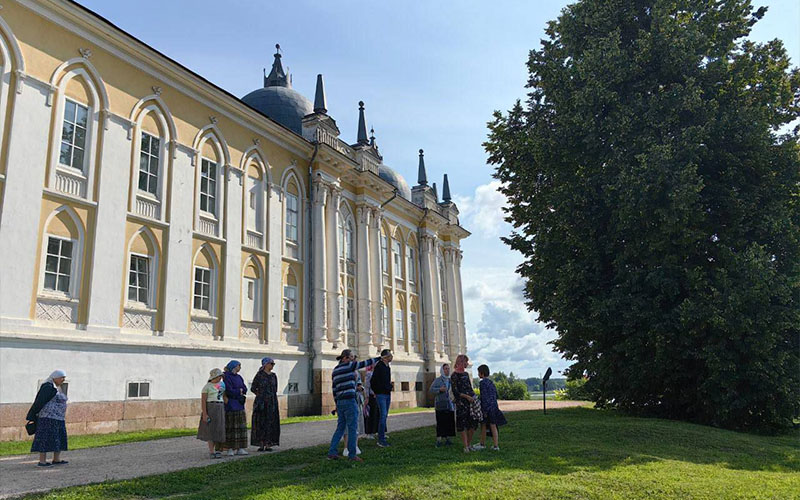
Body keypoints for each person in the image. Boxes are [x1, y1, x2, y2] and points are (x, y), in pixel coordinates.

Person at [327, 349, 385, 461]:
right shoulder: (349, 366)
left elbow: (334, 389)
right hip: (350, 401)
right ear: (345, 358)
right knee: (353, 428)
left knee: (340, 428)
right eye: (351, 357)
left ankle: (332, 452)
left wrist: (336, 405)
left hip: (340, 402)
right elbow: (365, 363)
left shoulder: (335, 370)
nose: (353, 360)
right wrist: (379, 358)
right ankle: (352, 455)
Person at [27, 370, 69, 467]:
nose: (63, 380)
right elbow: (39, 401)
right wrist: (33, 414)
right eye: (61, 377)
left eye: (64, 378)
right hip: (47, 418)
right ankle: (42, 461)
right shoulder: (47, 387)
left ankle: (56, 459)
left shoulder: (57, 388)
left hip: (58, 418)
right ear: (55, 377)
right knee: (45, 439)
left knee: (58, 438)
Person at [451, 354, 479, 453]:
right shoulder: (454, 375)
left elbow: (469, 388)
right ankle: (465, 446)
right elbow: (455, 392)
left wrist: (474, 397)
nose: (467, 364)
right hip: (461, 403)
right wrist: (467, 397)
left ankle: (469, 444)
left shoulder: (466, 374)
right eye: (466, 362)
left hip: (470, 402)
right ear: (461, 363)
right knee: (462, 424)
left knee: (473, 424)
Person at [250, 357, 280, 452]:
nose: (272, 365)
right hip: (261, 402)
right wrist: (260, 396)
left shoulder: (273, 376)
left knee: (271, 421)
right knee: (261, 422)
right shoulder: (259, 375)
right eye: (271, 363)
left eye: (273, 364)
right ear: (265, 364)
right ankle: (261, 443)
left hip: (271, 401)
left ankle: (269, 443)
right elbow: (253, 388)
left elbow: (275, 388)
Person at [197, 368, 227, 459]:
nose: (220, 378)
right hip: (211, 407)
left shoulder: (222, 384)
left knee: (219, 429)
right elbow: (203, 401)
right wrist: (205, 414)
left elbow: (223, 394)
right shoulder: (207, 387)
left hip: (220, 406)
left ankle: (218, 450)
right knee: (210, 430)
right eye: (219, 376)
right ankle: (211, 451)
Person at [221, 360, 249, 456]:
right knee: (231, 427)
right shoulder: (227, 377)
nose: (240, 367)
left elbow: (245, 388)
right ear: (233, 366)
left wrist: (240, 391)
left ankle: (240, 447)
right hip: (231, 405)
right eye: (238, 366)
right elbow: (229, 390)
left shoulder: (239, 377)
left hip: (239, 404)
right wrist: (239, 391)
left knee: (240, 427)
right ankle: (230, 448)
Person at [477, 364, 506, 451]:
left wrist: (483, 408)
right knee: (493, 425)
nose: (478, 374)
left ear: (482, 373)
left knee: (483, 426)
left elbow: (483, 397)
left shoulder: (482, 383)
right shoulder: (491, 383)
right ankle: (496, 445)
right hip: (494, 406)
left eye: (478, 373)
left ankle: (482, 443)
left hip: (486, 407)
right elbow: (496, 395)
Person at [370, 348, 393, 447]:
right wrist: (377, 391)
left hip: (387, 394)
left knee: (385, 415)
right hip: (381, 394)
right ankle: (381, 439)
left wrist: (389, 387)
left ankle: (382, 435)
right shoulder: (379, 366)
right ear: (385, 357)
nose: (391, 357)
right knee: (383, 415)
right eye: (390, 355)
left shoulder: (387, 367)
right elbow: (373, 381)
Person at [429, 363, 456, 447]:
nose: (447, 370)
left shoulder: (451, 380)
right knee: (441, 422)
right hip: (440, 405)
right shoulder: (438, 380)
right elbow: (431, 390)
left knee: (449, 422)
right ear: (442, 370)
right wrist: (439, 389)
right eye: (445, 369)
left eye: (448, 369)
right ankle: (439, 440)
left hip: (450, 405)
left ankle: (448, 439)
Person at [343, 375, 365, 457]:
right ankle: (346, 447)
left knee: (357, 424)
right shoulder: (343, 371)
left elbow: (359, 384)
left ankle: (355, 445)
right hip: (347, 400)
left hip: (356, 400)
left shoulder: (356, 371)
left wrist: (361, 387)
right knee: (347, 424)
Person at [363, 364, 379, 439]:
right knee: (370, 414)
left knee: (376, 414)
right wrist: (367, 397)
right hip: (371, 396)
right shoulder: (369, 373)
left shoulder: (377, 372)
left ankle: (375, 431)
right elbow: (367, 386)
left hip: (377, 395)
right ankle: (369, 432)